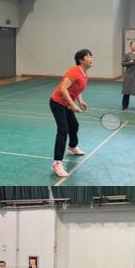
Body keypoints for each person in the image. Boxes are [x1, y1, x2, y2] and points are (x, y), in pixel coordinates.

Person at [50, 49, 92, 178]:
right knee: (63, 130)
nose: (91, 59)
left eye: (91, 56)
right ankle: (57, 163)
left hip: (66, 104)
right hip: (57, 102)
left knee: (74, 126)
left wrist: (80, 102)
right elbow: (63, 89)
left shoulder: (84, 74)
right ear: (81, 60)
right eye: (88, 57)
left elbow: (76, 90)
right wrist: (73, 105)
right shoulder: (74, 71)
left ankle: (72, 146)